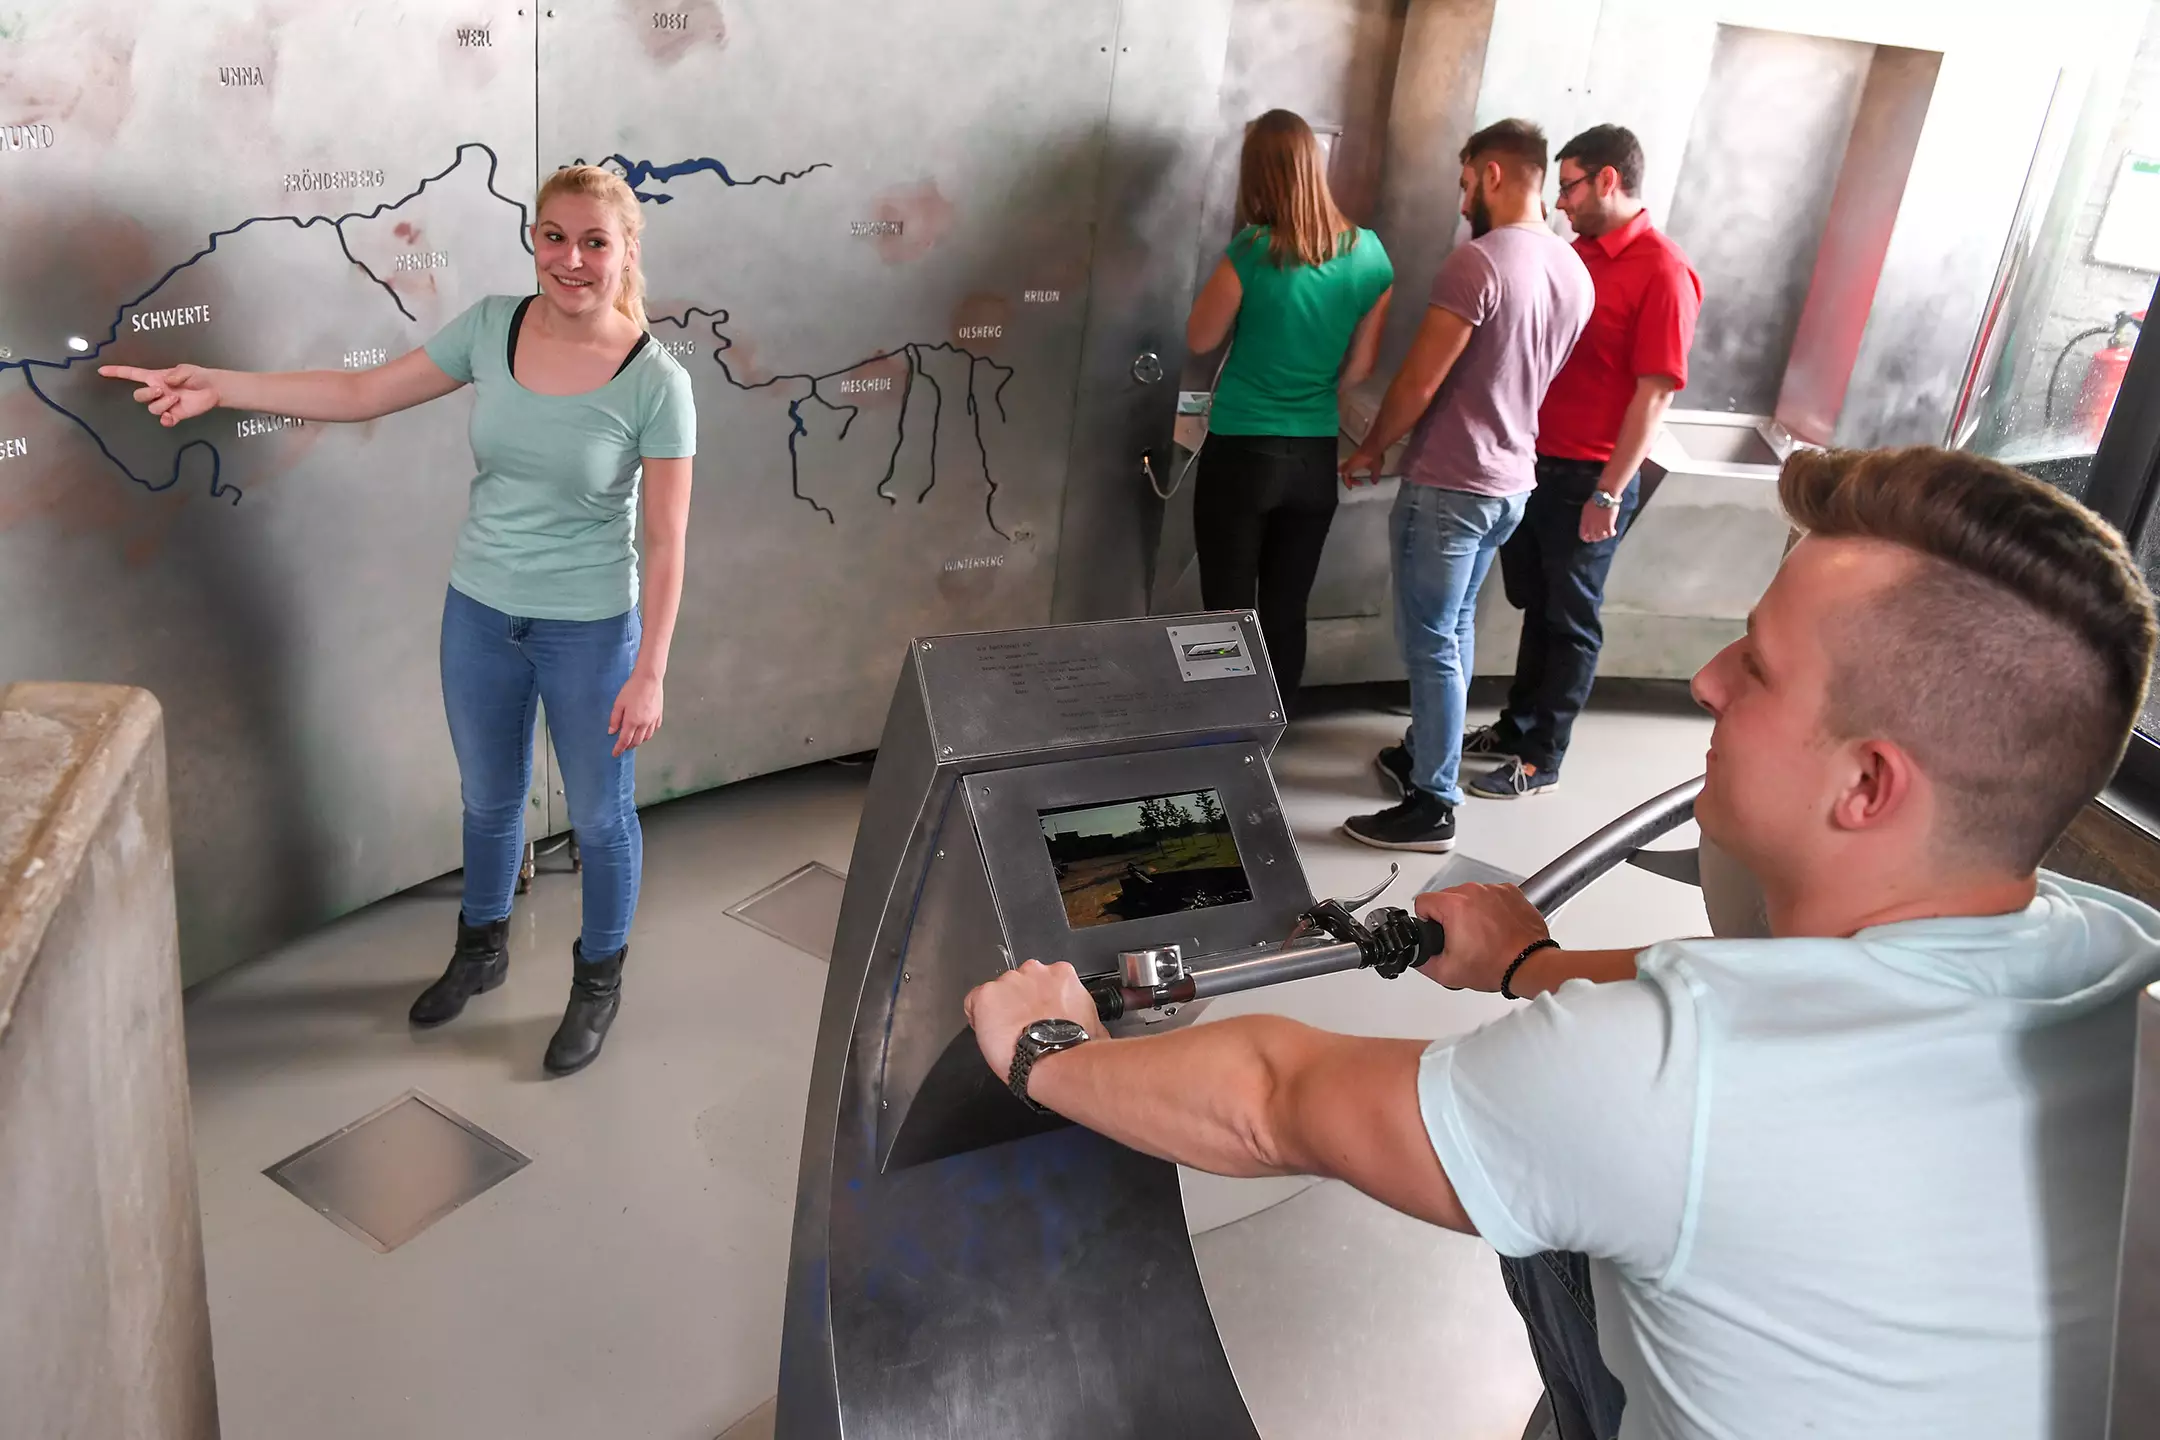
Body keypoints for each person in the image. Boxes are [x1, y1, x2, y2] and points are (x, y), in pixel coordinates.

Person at [964, 446, 2160, 1438]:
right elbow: (1785, 998)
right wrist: (1527, 967)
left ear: (1867, 786)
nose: (1706, 682)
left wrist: (1050, 1050)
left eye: (1757, 668)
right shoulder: (2115, 941)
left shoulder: (1666, 1079)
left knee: (1542, 1211)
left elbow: (1274, 1099)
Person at [103, 165, 697, 1076]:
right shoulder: (492, 327)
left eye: (593, 242)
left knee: (601, 818)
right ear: (534, 239)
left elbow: (665, 542)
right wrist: (220, 386)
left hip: (589, 629)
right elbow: (361, 394)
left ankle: (596, 984)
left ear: (625, 251)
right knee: (488, 800)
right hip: (480, 614)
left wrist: (649, 669)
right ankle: (481, 951)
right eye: (554, 237)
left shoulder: (655, 381)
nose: (571, 260)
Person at [1334, 118, 1592, 853]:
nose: (1462, 199)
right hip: (1511, 483)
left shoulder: (1477, 262)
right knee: (1455, 630)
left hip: (1452, 483)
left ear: (1494, 173)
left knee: (1430, 643)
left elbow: (1421, 380)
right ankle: (1425, 755)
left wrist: (1373, 446)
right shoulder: (1573, 271)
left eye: (1466, 182)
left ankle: (1433, 803)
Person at [1465, 124, 1701, 801]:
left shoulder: (1663, 269)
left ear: (1607, 180)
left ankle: (1543, 756)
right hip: (1535, 462)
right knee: (1537, 605)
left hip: (1589, 476)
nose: (1559, 203)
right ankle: (1517, 726)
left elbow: (1655, 393)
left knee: (1570, 618)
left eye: (1568, 187)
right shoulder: (1579, 256)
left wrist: (1609, 492)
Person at [1183, 109, 1395, 706]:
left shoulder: (1252, 250)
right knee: (1285, 607)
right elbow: (1360, 369)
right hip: (1313, 457)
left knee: (1226, 608)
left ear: (1258, 175)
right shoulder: (1370, 254)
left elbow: (1200, 338)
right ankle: (1271, 734)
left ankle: (1222, 727)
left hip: (1242, 452)